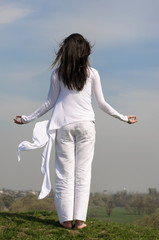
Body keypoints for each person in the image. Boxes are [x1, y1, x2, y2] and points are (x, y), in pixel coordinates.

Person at [14, 33, 138, 229]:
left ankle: (65, 220)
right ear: (84, 52)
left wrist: (26, 119)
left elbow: (49, 103)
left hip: (64, 126)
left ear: (65, 51)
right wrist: (123, 117)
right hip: (87, 126)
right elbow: (102, 104)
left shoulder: (57, 74)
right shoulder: (93, 73)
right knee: (83, 173)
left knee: (64, 173)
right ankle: (80, 221)